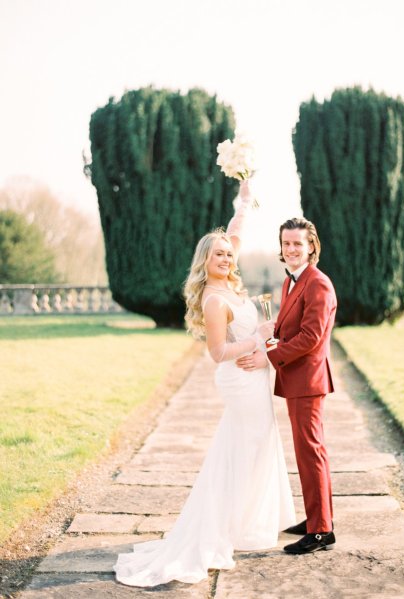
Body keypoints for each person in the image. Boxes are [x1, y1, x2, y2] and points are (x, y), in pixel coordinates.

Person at [113, 181, 295, 588]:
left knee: (252, 447)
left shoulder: (230, 279)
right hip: (240, 377)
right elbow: (216, 352)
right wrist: (259, 337)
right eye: (219, 254)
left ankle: (244, 525)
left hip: (253, 372)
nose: (227, 258)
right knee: (247, 449)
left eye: (230, 254)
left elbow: (235, 231)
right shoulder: (215, 299)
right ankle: (224, 530)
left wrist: (244, 201)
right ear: (206, 260)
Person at [236, 217, 337, 554]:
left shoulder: (317, 283)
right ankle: (315, 519)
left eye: (297, 243)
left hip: (308, 381)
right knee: (305, 452)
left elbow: (311, 338)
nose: (291, 249)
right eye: (287, 243)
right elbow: (290, 327)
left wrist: (271, 355)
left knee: (311, 452)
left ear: (311, 246)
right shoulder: (290, 281)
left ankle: (321, 531)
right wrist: (269, 332)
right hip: (295, 379)